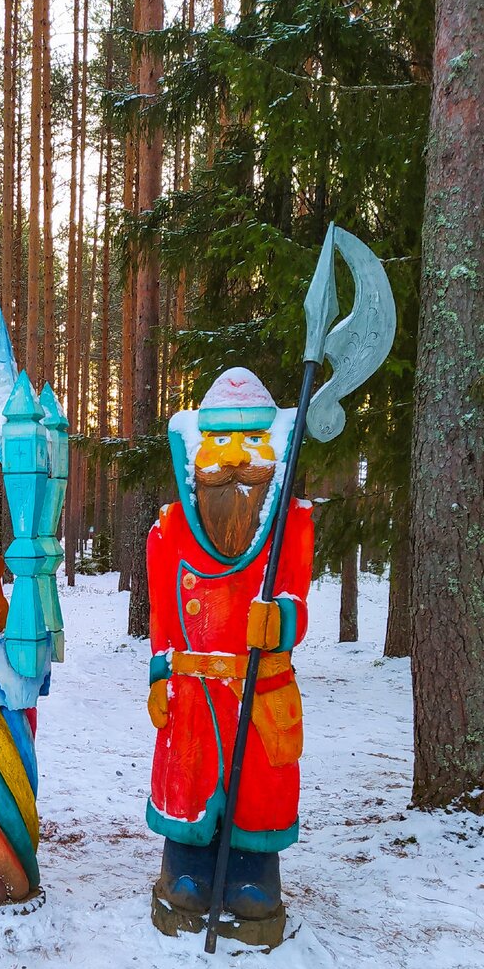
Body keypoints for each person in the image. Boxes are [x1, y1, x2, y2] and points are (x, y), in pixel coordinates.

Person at [146, 367, 314, 921]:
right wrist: (159, 675)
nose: (236, 456)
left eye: (250, 440)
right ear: (195, 446)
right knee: (193, 785)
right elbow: (165, 619)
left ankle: (252, 873)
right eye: (220, 440)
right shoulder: (169, 529)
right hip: (193, 691)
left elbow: (295, 595)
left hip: (257, 688)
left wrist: (283, 620)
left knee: (255, 792)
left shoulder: (291, 520)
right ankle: (186, 867)